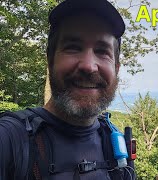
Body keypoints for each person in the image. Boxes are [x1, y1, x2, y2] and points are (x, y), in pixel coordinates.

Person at [0, 0, 135, 179]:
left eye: (102, 51)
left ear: (116, 68)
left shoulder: (115, 145)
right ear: (50, 60)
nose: (89, 66)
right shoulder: (9, 141)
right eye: (73, 47)